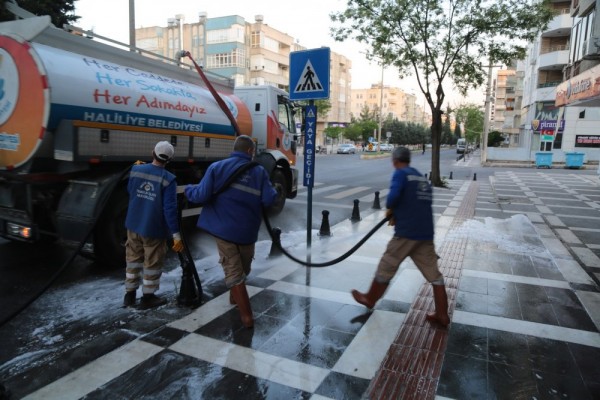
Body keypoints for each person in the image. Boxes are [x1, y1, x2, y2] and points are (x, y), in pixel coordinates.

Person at [184, 135, 277, 328]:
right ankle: (246, 316)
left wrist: (188, 190)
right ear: (250, 151)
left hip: (225, 229)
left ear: (234, 149)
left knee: (239, 271)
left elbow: (200, 195)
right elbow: (269, 200)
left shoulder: (216, 168)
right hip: (245, 231)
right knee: (238, 270)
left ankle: (238, 302)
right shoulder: (259, 172)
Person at [351, 147, 450, 327]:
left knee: (387, 264)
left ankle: (370, 299)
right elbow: (423, 202)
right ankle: (442, 314)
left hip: (407, 232)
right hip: (425, 233)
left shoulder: (400, 174)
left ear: (395, 161)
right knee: (434, 275)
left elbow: (392, 198)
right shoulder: (420, 177)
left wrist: (393, 209)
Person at [124, 141, 183, 309]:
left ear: (152, 153)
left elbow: (130, 190)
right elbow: (169, 209)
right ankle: (148, 297)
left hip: (133, 224)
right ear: (169, 160)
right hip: (153, 228)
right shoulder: (168, 179)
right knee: (152, 261)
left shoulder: (136, 169)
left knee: (133, 259)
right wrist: (176, 234)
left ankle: (129, 294)